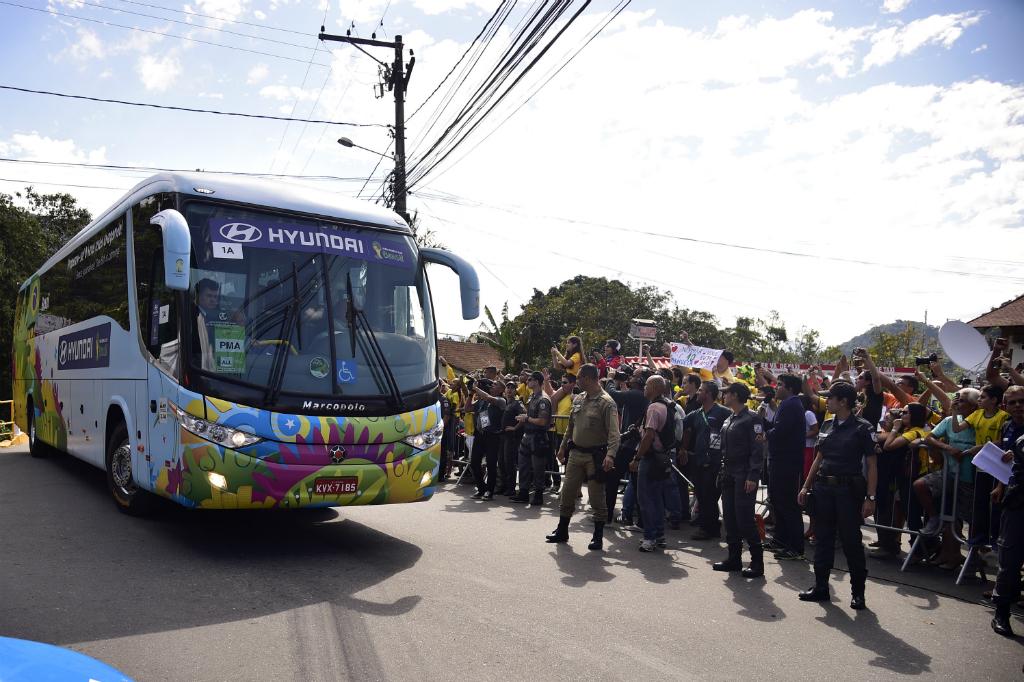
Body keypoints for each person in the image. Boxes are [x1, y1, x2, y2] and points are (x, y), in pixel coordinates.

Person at [798, 381, 878, 610]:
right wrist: (805, 486)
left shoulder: (863, 428)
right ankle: (821, 587)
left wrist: (870, 498)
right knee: (822, 539)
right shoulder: (827, 425)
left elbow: (872, 465)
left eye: (830, 398)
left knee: (851, 542)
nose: (827, 401)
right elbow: (819, 458)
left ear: (843, 401)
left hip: (847, 491)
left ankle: (858, 593)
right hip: (823, 490)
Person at [545, 364, 620, 551]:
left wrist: (610, 455)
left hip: (595, 456)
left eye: (578, 377)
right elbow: (571, 427)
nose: (576, 381)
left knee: (596, 498)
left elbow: (614, 433)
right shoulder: (578, 398)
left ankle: (598, 536)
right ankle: (562, 530)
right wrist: (562, 448)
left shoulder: (606, 402)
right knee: (567, 492)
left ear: (587, 378)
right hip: (576, 453)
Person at [712, 382, 765, 579]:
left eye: (727, 393)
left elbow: (758, 450)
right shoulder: (730, 418)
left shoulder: (753, 419)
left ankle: (757, 562)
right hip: (729, 472)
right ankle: (733, 558)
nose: (724, 396)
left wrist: (753, 475)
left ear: (735, 395)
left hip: (744, 472)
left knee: (744, 518)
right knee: (730, 517)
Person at [991, 384, 1024, 636]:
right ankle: (1001, 613)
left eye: (1021, 401)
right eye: (1011, 402)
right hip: (1015, 499)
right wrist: (1000, 485)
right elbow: (1003, 460)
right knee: (1008, 557)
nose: (1017, 406)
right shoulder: (1006, 426)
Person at [629, 375, 674, 551]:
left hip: (651, 458)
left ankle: (650, 538)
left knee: (645, 499)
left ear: (655, 388)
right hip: (661, 457)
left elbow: (648, 436)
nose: (644, 388)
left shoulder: (654, 408)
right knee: (656, 499)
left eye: (646, 385)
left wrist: (637, 458)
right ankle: (659, 535)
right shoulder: (667, 406)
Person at [766, 374, 807, 560]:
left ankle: (795, 547)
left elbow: (781, 431)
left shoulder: (791, 404)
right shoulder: (787, 404)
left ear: (789, 388)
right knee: (777, 500)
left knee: (787, 503)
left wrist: (765, 433)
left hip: (786, 461)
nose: (776, 387)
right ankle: (780, 540)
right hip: (780, 459)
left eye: (780, 385)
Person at [683, 381, 731, 540]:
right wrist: (683, 448)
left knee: (710, 495)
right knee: (702, 494)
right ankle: (712, 527)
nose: (698, 393)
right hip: (699, 460)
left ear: (709, 394)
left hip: (716, 462)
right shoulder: (696, 414)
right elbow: (684, 427)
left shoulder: (723, 412)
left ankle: (707, 527)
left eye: (701, 390)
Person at [514, 372, 553, 506]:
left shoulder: (543, 399)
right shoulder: (532, 396)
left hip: (538, 437)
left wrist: (527, 418)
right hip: (528, 435)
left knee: (538, 468)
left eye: (530, 380)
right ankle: (524, 493)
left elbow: (542, 421)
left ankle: (538, 495)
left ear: (537, 381)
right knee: (523, 465)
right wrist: (525, 416)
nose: (527, 381)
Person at [469, 379, 506, 501]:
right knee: (474, 462)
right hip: (481, 434)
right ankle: (481, 489)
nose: (492, 386)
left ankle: (489, 491)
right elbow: (467, 408)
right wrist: (470, 394)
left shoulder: (501, 400)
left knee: (491, 464)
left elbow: (490, 398)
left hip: (493, 436)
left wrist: (476, 388)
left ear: (501, 390)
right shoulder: (483, 401)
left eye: (495, 384)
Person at [499, 382, 525, 496]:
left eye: (512, 388)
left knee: (509, 462)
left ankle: (511, 488)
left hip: (512, 438)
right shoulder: (505, 403)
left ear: (515, 391)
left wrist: (515, 427)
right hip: (503, 436)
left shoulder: (517, 403)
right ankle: (503, 486)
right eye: (507, 387)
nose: (509, 390)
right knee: (501, 462)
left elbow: (524, 415)